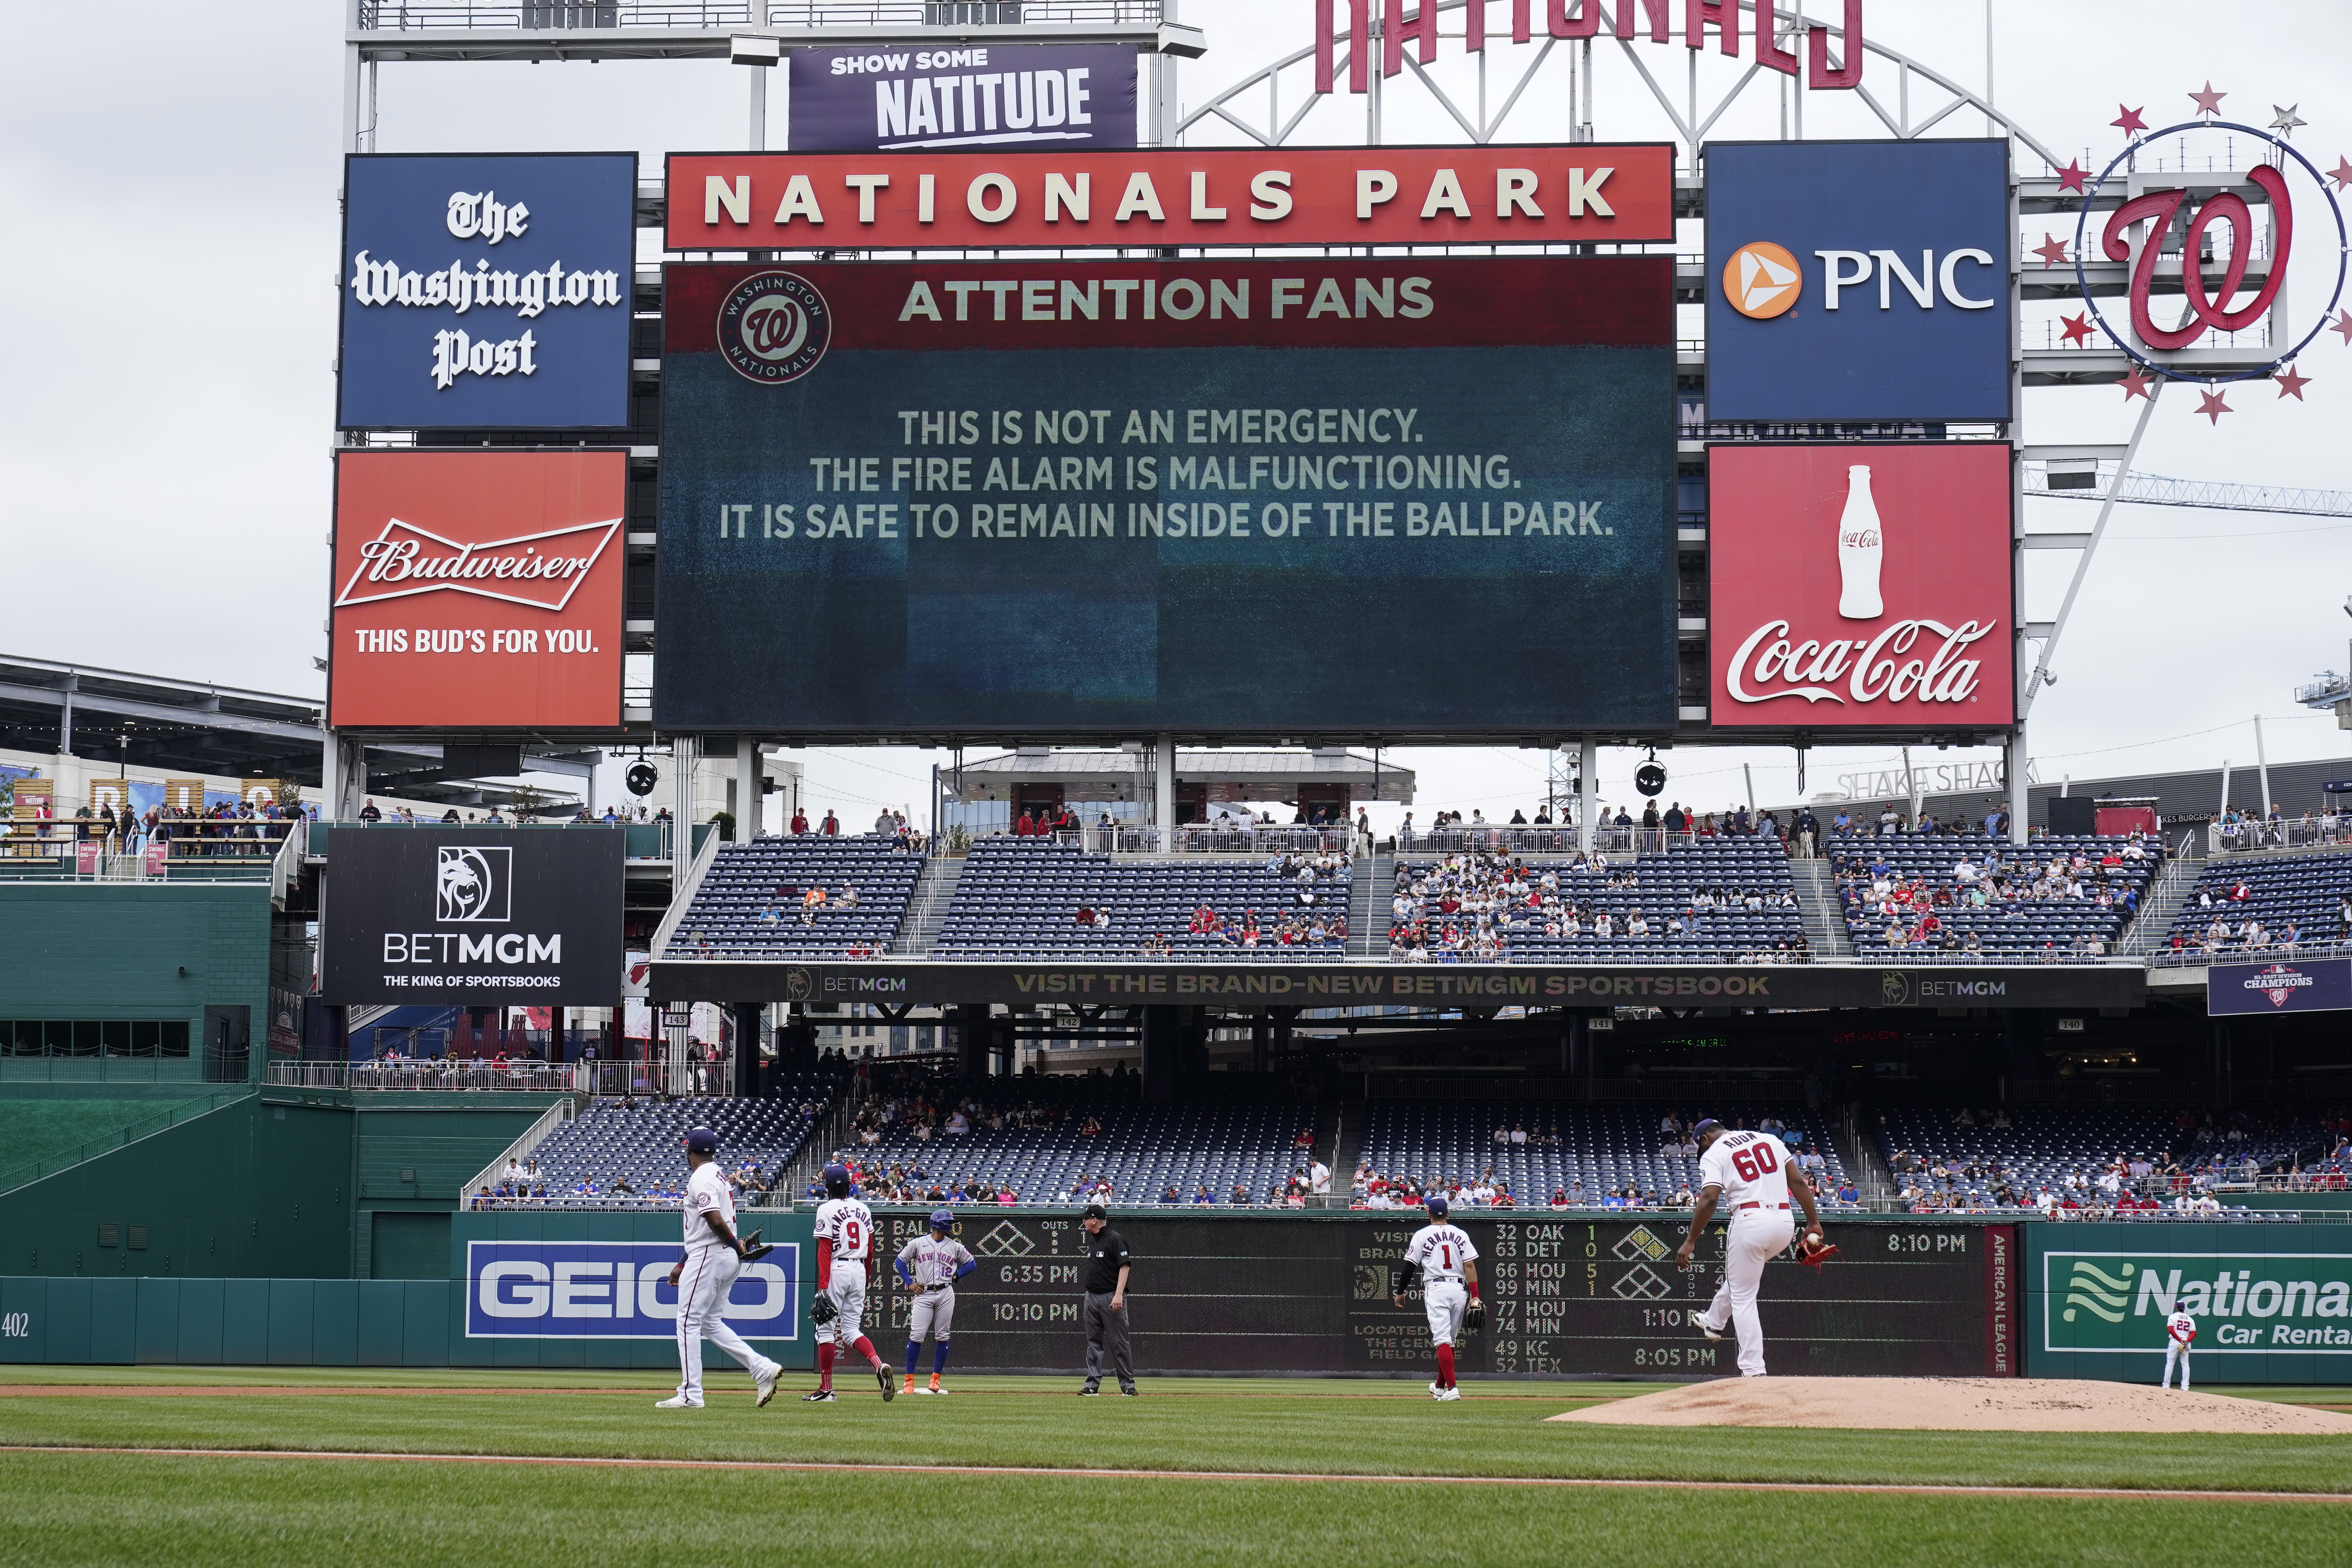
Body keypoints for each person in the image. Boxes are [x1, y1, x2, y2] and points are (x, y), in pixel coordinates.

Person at [1673, 1117, 1824, 1378]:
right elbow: (1798, 1184)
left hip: (1750, 1219)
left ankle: (1754, 1370)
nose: (1703, 1152)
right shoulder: (1770, 1139)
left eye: (1701, 1147)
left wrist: (1691, 1240)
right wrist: (1813, 1223)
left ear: (1705, 1139)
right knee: (1743, 1282)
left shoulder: (1715, 1152)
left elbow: (1709, 1198)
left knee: (1743, 1297)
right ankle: (1714, 1321)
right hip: (1784, 1224)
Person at [653, 1127, 783, 1411]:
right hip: (720, 1257)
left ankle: (690, 1395)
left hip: (712, 1254)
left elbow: (712, 1220)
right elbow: (705, 1226)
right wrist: (681, 1263)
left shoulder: (700, 1177)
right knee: (710, 1323)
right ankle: (762, 1369)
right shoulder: (719, 1175)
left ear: (690, 1151)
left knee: (687, 1321)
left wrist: (737, 1245)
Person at [806, 1163, 893, 1402]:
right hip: (858, 1270)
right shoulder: (864, 1208)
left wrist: (823, 1287)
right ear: (849, 1184)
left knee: (825, 1330)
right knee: (851, 1330)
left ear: (827, 1187)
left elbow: (825, 1251)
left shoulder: (826, 1208)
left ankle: (827, 1390)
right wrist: (865, 1279)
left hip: (837, 1268)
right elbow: (871, 1250)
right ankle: (878, 1363)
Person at [1391, 1193, 1480, 1400]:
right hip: (1459, 1290)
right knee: (1449, 1342)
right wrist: (1475, 1296)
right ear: (1448, 1213)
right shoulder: (1461, 1234)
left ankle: (1453, 1389)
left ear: (1428, 1214)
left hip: (1437, 1288)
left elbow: (1410, 1266)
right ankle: (1440, 1387)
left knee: (1441, 1340)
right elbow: (1469, 1266)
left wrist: (1401, 1291)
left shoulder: (1422, 1235)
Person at [895, 1208, 977, 1395]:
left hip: (945, 1292)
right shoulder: (918, 1243)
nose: (951, 1224)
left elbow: (972, 1264)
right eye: (949, 1221)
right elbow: (900, 1261)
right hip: (924, 1293)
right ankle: (909, 1381)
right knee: (917, 1336)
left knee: (943, 1336)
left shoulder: (954, 1246)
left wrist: (957, 1276)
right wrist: (909, 1283)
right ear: (938, 1223)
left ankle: (936, 1379)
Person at [1077, 1203, 1136, 1396]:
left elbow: (1125, 1266)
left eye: (1085, 1218)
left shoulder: (1115, 1239)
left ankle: (1128, 1386)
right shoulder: (1093, 1240)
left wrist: (1119, 1294)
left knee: (1119, 1342)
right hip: (1091, 1296)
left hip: (1111, 1297)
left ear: (1094, 1220)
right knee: (1093, 1342)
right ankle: (1092, 1386)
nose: (1083, 1221)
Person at [2162, 1306, 2197, 1392]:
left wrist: (2180, 1340)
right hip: (2185, 1343)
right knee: (2185, 1365)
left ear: (2177, 1308)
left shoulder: (2173, 1317)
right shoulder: (2190, 1319)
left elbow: (2171, 1330)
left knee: (2170, 1363)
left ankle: (2166, 1385)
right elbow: (2194, 1333)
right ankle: (2185, 1387)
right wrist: (2186, 1341)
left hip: (2175, 1342)